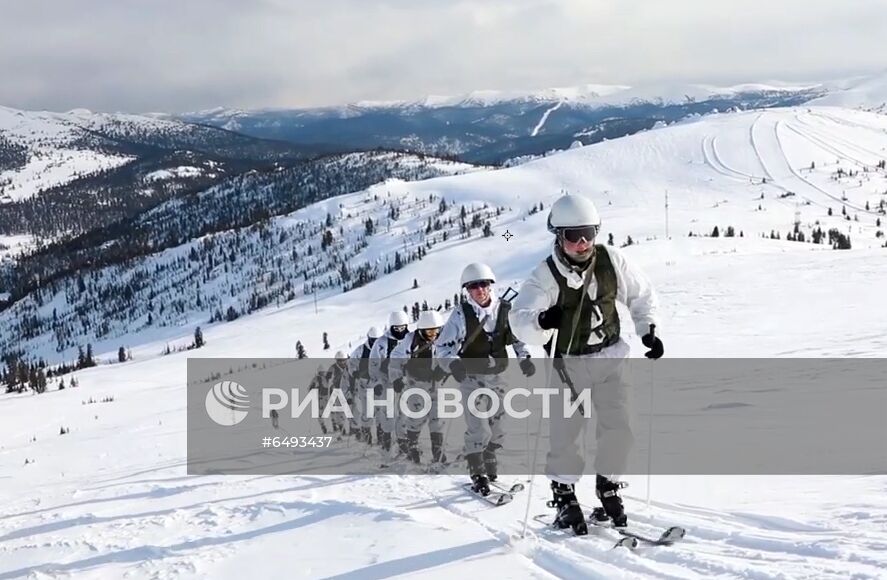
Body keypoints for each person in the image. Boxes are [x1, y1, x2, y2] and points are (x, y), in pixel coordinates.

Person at [510, 193, 663, 534]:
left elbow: (641, 293)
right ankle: (563, 495)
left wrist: (647, 330)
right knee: (568, 433)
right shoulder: (545, 275)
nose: (582, 243)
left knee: (620, 426)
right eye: (572, 235)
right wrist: (541, 322)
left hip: (610, 357)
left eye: (588, 234)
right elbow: (519, 319)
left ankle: (607, 484)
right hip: (570, 365)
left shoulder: (611, 260)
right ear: (558, 236)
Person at [437, 262, 535, 495]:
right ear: (467, 291)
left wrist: (525, 358)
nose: (479, 290)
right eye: (473, 287)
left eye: (483, 285)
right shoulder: (461, 315)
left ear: (490, 286)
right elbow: (442, 347)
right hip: (471, 378)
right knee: (478, 427)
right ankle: (477, 471)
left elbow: (518, 338)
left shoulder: (505, 309)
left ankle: (489, 456)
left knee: (499, 428)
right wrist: (454, 365)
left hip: (498, 376)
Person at [388, 310, 449, 464]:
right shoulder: (411, 339)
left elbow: (453, 353)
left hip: (436, 385)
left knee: (437, 418)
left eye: (436, 330)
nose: (433, 334)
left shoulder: (445, 338)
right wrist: (396, 378)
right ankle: (412, 448)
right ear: (422, 330)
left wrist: (445, 368)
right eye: (429, 331)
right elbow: (395, 357)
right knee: (416, 417)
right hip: (416, 385)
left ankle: (438, 452)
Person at [368, 311, 411, 453]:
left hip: (405, 382)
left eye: (402, 328)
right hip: (387, 382)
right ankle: (386, 443)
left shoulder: (410, 339)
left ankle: (403, 444)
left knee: (405, 415)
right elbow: (374, 365)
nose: (400, 331)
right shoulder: (381, 343)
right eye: (397, 329)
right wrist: (377, 383)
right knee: (389, 414)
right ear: (391, 327)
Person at [349, 326, 384, 444]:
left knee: (380, 411)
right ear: (369, 339)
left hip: (379, 383)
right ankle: (366, 435)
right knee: (368, 411)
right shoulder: (361, 350)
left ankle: (381, 437)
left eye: (377, 340)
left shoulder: (382, 349)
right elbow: (352, 363)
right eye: (373, 340)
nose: (375, 343)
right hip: (365, 384)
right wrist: (354, 372)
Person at [328, 350, 355, 438]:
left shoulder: (349, 366)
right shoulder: (333, 368)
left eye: (343, 360)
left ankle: (353, 429)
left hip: (348, 391)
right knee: (339, 412)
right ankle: (342, 429)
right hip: (337, 391)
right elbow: (328, 379)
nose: (342, 362)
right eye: (339, 360)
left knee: (351, 411)